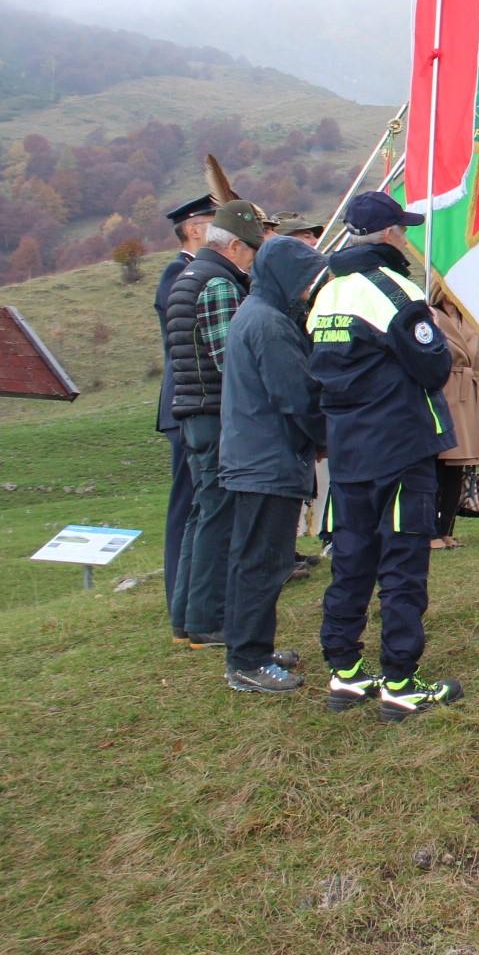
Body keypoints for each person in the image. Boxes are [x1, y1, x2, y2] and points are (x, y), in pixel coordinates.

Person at [307, 192, 462, 721]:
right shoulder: (395, 291)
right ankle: (400, 678)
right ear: (391, 235)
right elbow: (433, 368)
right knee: (402, 565)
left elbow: (319, 371)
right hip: (399, 447)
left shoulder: (325, 293)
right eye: (404, 230)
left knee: (351, 560)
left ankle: (345, 669)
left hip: (347, 451)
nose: (408, 238)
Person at [217, 235, 328, 693]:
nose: (307, 291)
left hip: (255, 455)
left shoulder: (256, 313)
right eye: (304, 281)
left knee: (258, 559)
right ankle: (247, 660)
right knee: (261, 562)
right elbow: (296, 396)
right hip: (267, 459)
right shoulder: (271, 325)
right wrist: (324, 437)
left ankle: (254, 648)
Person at [166, 199, 263, 649]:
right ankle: (208, 619)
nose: (252, 260)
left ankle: (186, 615)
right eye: (252, 251)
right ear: (236, 248)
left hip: (191, 407)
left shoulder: (189, 278)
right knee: (218, 517)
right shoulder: (219, 284)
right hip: (213, 411)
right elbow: (231, 361)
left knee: (201, 515)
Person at [156, 192, 215, 638]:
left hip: (193, 400)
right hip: (189, 402)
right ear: (194, 228)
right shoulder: (180, 273)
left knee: (199, 501)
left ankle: (192, 590)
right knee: (188, 504)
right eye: (212, 220)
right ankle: (181, 588)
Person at [428, 284, 479, 550]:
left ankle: (446, 529)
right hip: (445, 393)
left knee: (457, 469)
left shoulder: (470, 318)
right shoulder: (431, 316)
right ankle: (430, 531)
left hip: (468, 397)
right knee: (438, 465)